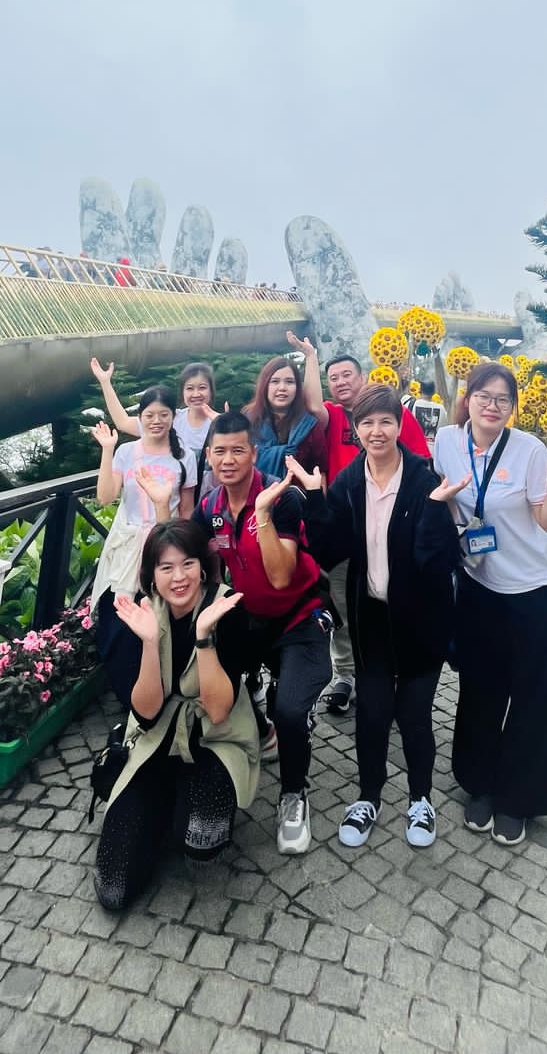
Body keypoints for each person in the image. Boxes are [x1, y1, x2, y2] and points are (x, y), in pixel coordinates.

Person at [287, 384, 465, 850]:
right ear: (356, 429)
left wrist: (435, 512)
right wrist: (315, 500)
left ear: (399, 426)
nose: (377, 431)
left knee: (414, 716)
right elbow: (330, 550)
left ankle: (420, 799)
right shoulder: (350, 483)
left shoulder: (424, 480)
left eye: (386, 421)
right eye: (367, 423)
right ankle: (368, 797)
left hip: (421, 622)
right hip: (372, 619)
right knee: (372, 713)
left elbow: (439, 562)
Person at [433, 361, 547, 849]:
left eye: (502, 399)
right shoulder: (448, 442)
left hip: (531, 590)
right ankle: (481, 783)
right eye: (484, 396)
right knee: (480, 690)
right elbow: (446, 499)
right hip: (478, 587)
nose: (492, 406)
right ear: (468, 398)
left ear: (512, 407)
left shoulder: (530, 450)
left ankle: (518, 798)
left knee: (531, 696)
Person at [93, 521, 259, 910]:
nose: (179, 577)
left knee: (201, 839)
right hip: (157, 736)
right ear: (151, 575)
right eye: (166, 567)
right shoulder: (142, 613)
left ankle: (180, 803)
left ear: (203, 566)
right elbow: (147, 713)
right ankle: (159, 800)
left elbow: (218, 710)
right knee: (114, 888)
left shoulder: (226, 609)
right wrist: (150, 643)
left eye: (188, 564)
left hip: (215, 738)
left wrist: (204, 637)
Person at [191, 412, 333, 855]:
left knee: (291, 710)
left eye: (238, 450)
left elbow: (280, 576)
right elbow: (190, 557)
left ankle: (293, 794)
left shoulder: (281, 497)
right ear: (208, 456)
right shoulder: (210, 507)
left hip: (297, 616)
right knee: (209, 685)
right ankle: (257, 731)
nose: (228, 460)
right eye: (219, 452)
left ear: (254, 453)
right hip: (247, 616)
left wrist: (263, 515)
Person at [289, 334, 430, 715]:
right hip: (345, 528)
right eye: (333, 377)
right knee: (343, 602)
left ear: (363, 376)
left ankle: (397, 673)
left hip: (390, 526)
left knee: (392, 601)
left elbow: (421, 465)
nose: (340, 382)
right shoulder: (334, 416)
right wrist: (311, 357)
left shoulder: (396, 417)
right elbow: (313, 404)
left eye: (347, 374)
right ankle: (347, 674)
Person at [90, 387, 198, 613]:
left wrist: (186, 548)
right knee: (120, 616)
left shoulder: (185, 456)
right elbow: (105, 497)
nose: (156, 421)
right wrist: (107, 450)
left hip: (166, 548)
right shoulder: (126, 452)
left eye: (164, 415)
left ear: (173, 416)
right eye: (149, 415)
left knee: (161, 614)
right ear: (140, 417)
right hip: (127, 549)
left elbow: (187, 510)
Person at [90, 358, 217, 458]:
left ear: (211, 390)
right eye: (190, 388)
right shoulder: (171, 419)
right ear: (182, 392)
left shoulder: (220, 422)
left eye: (202, 388)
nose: (196, 394)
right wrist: (105, 382)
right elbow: (123, 422)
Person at [243, 356, 327, 482]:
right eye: (275, 381)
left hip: (299, 493)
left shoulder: (309, 426)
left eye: (289, 382)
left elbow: (320, 473)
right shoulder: (247, 423)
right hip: (255, 493)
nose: (282, 388)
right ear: (264, 385)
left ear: (298, 387)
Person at [401, 380, 448, 453]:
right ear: (433, 392)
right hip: (432, 451)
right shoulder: (441, 409)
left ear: (420, 390)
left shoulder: (410, 404)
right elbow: (443, 431)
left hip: (413, 449)